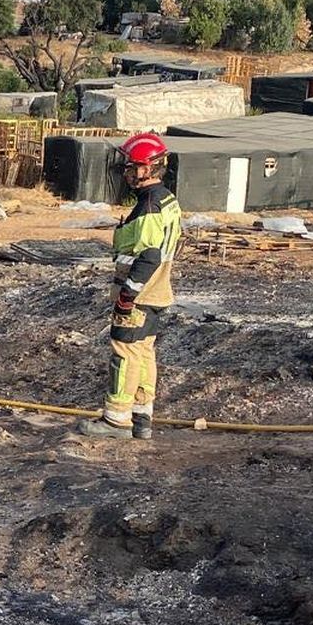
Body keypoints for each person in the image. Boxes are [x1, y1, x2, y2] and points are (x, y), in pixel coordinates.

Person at [80, 132, 182, 440]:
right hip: (159, 291)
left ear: (148, 167)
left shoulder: (149, 205)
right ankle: (141, 417)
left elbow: (149, 254)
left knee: (124, 351)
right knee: (143, 351)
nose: (128, 172)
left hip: (141, 294)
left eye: (132, 166)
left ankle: (116, 420)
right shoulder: (166, 200)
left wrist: (128, 295)